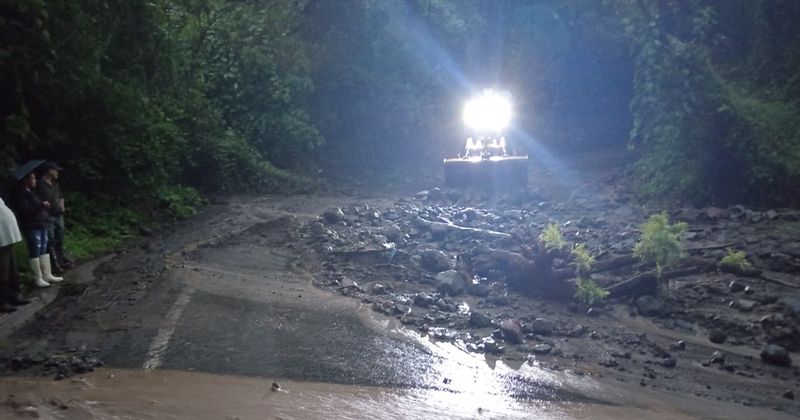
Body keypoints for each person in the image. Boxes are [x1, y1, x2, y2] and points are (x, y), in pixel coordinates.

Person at [15, 172, 62, 287]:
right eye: (33, 178)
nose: (35, 180)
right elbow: (25, 210)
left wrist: (43, 205)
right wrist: (41, 205)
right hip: (31, 226)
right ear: (26, 180)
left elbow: (37, 205)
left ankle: (47, 274)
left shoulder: (33, 192)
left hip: (42, 223)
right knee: (35, 250)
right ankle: (38, 278)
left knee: (44, 248)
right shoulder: (21, 194)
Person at [37, 162, 71, 272]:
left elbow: (61, 196)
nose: (57, 173)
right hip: (48, 215)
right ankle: (54, 265)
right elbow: (35, 199)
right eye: (55, 170)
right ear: (49, 171)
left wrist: (62, 205)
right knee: (51, 239)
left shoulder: (55, 184)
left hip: (58, 214)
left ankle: (61, 261)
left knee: (60, 238)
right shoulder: (39, 185)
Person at [0, 196, 30, 313]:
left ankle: (14, 295)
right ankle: (2, 301)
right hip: (1, 239)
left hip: (7, 236)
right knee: (3, 271)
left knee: (13, 268)